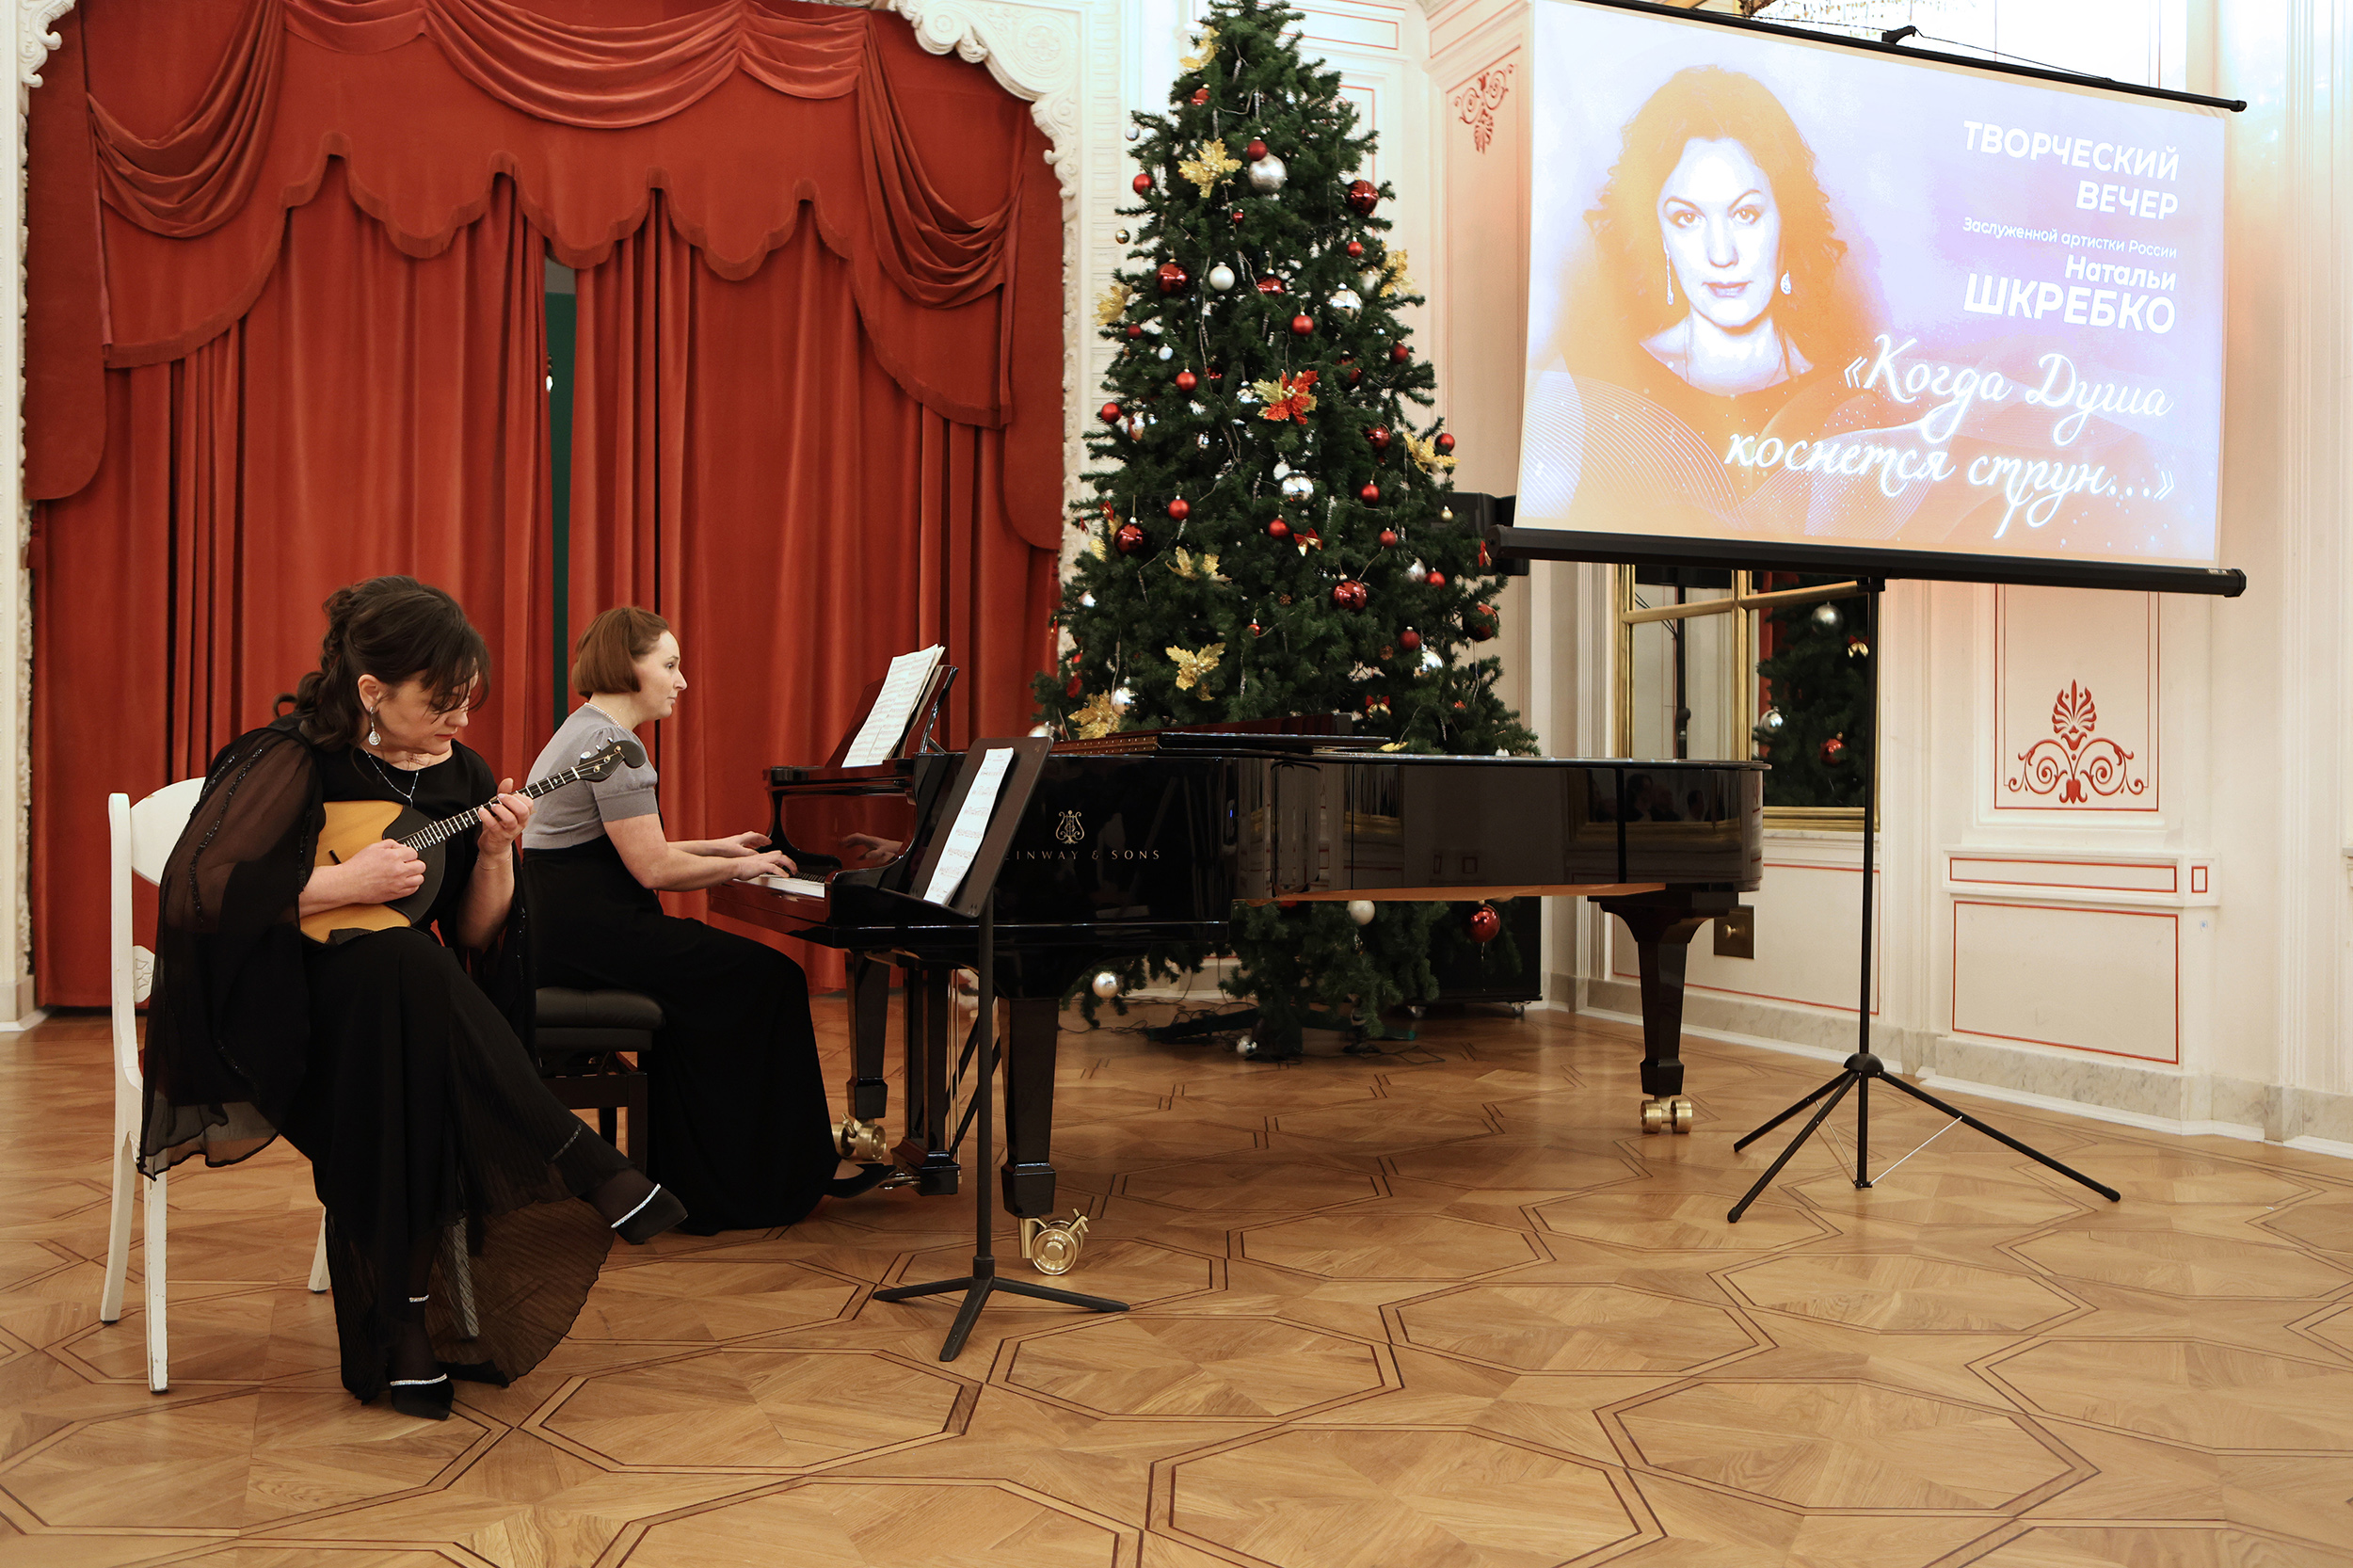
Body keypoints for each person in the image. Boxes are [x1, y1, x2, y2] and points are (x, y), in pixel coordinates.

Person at [140, 577, 685, 1424]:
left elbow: (471, 935)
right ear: (371, 691)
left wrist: (498, 854)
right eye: (441, 702)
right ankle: (577, 1158)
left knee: (405, 1032)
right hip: (280, 1011)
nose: (461, 721)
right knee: (401, 980)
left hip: (392, 1016)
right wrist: (338, 886)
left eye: (468, 702)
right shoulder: (291, 755)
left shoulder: (463, 776)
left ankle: (404, 1333)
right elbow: (196, 898)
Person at [521, 606, 886, 1236]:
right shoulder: (614, 747)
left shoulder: (583, 731)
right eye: (669, 665)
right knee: (771, 979)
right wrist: (741, 868)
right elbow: (652, 869)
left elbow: (620, 848)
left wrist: (719, 847)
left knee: (735, 985)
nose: (681, 681)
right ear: (628, 666)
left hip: (571, 931)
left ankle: (711, 1170)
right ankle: (760, 1180)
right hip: (599, 936)